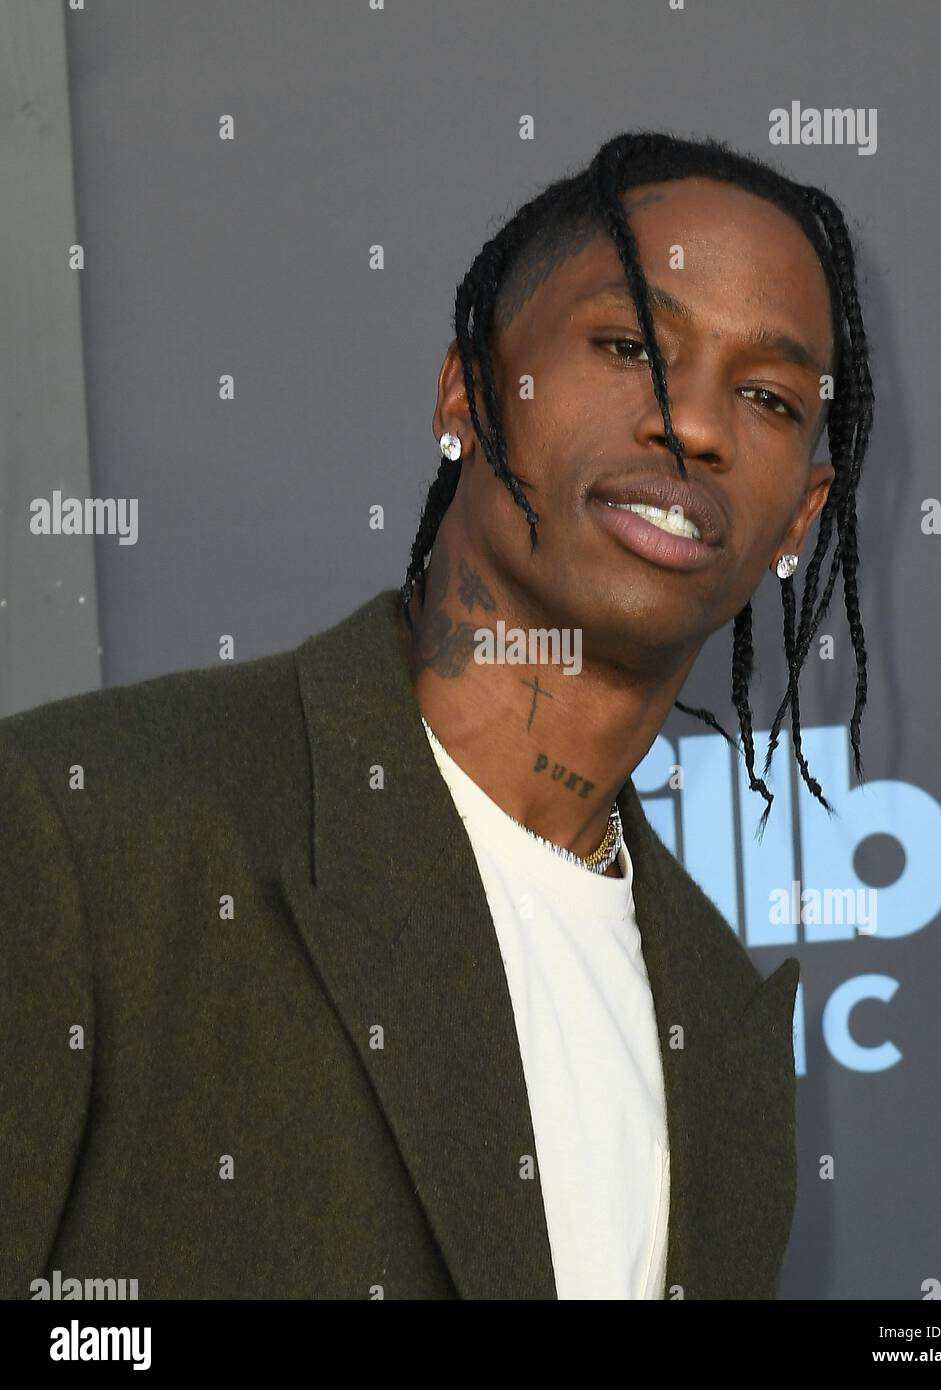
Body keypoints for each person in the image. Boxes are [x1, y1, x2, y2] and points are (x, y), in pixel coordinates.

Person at [0, 129, 873, 1301]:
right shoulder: (90, 830)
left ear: (798, 520)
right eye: (627, 345)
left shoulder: (717, 1031)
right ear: (468, 388)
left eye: (764, 396)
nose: (693, 424)